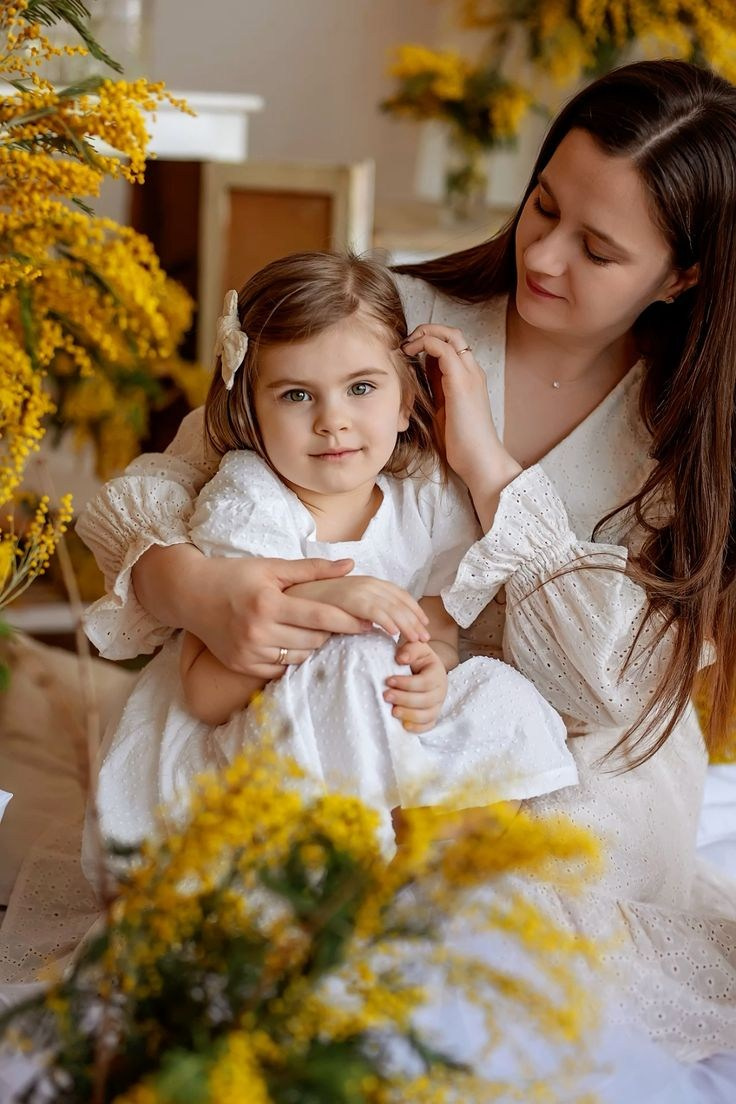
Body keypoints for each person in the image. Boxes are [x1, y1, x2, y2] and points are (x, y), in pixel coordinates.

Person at [10, 57, 726, 1091]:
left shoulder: (684, 432)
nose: (544, 253)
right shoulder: (388, 312)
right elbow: (165, 483)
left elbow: (606, 682)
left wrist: (487, 467)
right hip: (331, 697)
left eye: (598, 248)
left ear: (681, 275)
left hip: (567, 763)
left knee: (492, 947)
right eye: (543, 206)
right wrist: (195, 590)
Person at [88, 252, 574, 857]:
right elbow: (206, 696)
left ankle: (433, 863)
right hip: (251, 749)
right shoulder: (249, 502)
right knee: (357, 663)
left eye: (362, 388)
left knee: (501, 693)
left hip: (380, 728)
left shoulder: (424, 500)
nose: (333, 421)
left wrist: (433, 675)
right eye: (296, 395)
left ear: (405, 404)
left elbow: (439, 637)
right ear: (251, 411)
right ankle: (348, 867)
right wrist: (323, 605)